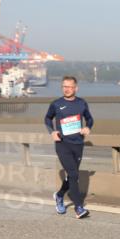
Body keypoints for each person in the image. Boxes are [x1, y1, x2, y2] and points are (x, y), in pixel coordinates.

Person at [44, 76, 94, 219]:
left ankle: (59, 195)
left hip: (78, 144)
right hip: (62, 144)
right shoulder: (56, 104)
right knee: (73, 174)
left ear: (75, 88)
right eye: (64, 86)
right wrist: (52, 132)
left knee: (73, 175)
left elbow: (90, 119)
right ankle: (79, 208)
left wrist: (88, 127)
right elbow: (47, 118)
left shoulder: (82, 103)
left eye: (69, 87)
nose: (66, 89)